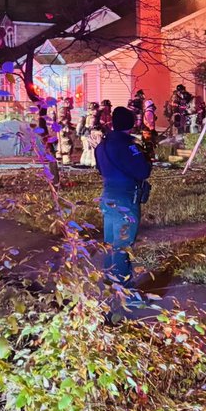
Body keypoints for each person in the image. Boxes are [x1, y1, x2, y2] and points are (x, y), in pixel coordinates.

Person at [95, 105, 152, 287]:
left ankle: (108, 281)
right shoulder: (127, 145)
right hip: (125, 200)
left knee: (110, 243)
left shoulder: (101, 145)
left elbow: (100, 169)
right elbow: (142, 171)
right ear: (131, 123)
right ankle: (125, 293)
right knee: (123, 246)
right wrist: (147, 158)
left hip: (107, 197)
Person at [78, 102, 101, 167]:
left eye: (96, 109)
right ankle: (89, 162)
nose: (95, 111)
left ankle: (85, 162)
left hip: (86, 135)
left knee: (87, 149)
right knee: (89, 149)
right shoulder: (91, 118)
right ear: (89, 110)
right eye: (93, 110)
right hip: (88, 135)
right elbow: (91, 127)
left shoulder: (91, 117)